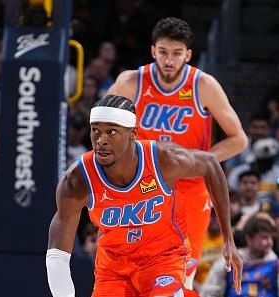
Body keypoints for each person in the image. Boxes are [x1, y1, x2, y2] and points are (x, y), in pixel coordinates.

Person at [46, 95, 242, 297]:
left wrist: (228, 239)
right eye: (95, 131)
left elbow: (210, 164)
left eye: (111, 132)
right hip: (113, 266)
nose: (101, 140)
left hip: (163, 257)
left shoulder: (163, 160)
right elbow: (57, 256)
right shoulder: (77, 180)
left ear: (133, 134)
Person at [106, 17, 248, 288]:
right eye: (163, 52)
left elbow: (238, 139)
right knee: (132, 267)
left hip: (190, 188)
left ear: (188, 55)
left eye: (176, 53)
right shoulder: (130, 82)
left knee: (183, 273)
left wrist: (198, 162)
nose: (169, 60)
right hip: (143, 184)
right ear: (153, 51)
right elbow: (101, 127)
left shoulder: (203, 85)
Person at [200, 213, 278, 297]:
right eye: (264, 237)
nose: (270, 243)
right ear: (249, 238)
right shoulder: (229, 261)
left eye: (271, 238)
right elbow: (208, 293)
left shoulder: (275, 264)